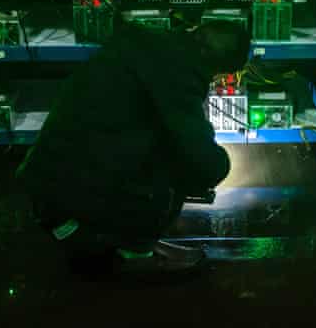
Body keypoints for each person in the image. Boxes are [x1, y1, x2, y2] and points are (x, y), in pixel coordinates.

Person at [16, 19, 251, 275]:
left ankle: (115, 239)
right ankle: (134, 253)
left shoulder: (147, 44)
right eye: (216, 73)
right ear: (210, 59)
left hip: (47, 185)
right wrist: (219, 165)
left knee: (159, 148)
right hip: (66, 202)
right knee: (175, 167)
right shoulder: (178, 71)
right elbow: (200, 156)